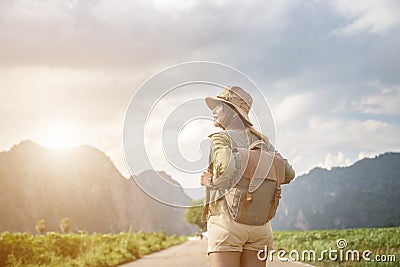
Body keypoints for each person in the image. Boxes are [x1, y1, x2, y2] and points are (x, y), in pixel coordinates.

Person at [200, 86, 295, 267]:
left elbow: (225, 170)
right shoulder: (263, 142)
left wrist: (210, 181)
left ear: (234, 113)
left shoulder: (221, 138)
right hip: (261, 228)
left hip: (226, 224)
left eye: (219, 106)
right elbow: (289, 174)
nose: (214, 110)